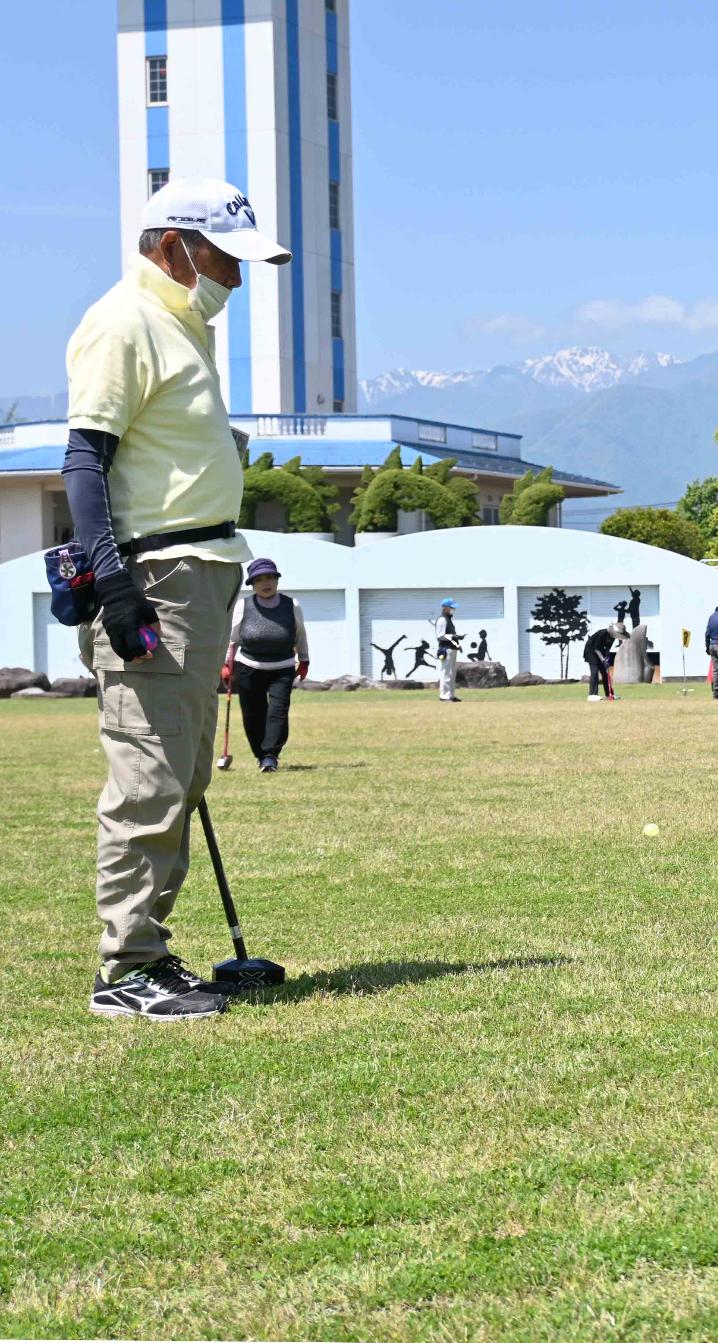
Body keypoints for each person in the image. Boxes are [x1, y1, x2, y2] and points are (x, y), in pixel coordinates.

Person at [62, 176, 291, 1020]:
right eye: (223, 258)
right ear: (173, 247)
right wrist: (115, 586)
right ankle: (126, 967)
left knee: (184, 770)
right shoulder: (125, 323)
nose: (233, 275)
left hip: (199, 569)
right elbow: (84, 462)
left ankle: (151, 952)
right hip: (153, 576)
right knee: (150, 773)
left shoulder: (181, 327)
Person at [223, 557, 310, 772]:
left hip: (283, 667)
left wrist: (304, 659)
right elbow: (231, 638)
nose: (265, 583)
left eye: (269, 577)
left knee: (278, 712)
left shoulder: (292, 605)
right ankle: (260, 756)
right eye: (259, 579)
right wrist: (225, 664)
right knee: (253, 714)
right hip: (248, 667)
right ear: (252, 584)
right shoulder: (243, 606)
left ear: (277, 580)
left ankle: (271, 755)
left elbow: (300, 633)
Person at [434, 598, 464, 702]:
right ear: (446, 608)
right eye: (452, 608)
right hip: (446, 649)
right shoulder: (442, 619)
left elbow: (449, 636)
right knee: (446, 673)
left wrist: (457, 644)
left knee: (451, 674)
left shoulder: (449, 619)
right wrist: (454, 636)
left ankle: (451, 694)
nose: (453, 610)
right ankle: (444, 695)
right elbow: (440, 636)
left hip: (452, 649)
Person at [583, 624, 617, 701]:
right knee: (594, 672)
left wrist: (607, 659)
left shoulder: (613, 637)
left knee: (605, 673)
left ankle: (609, 694)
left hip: (600, 652)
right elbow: (596, 649)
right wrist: (603, 660)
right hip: (590, 651)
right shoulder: (602, 633)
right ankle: (592, 695)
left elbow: (607, 649)